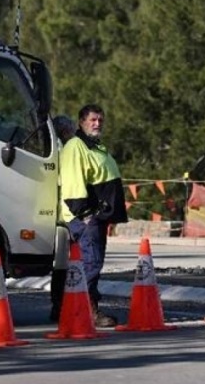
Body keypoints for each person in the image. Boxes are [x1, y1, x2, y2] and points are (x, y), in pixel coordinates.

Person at [59, 104, 128, 327]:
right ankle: (86, 312)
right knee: (91, 264)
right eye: (93, 120)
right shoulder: (75, 147)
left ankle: (74, 309)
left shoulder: (95, 147)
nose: (97, 123)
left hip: (96, 217)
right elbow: (72, 182)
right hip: (86, 218)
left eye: (100, 120)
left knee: (89, 264)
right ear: (81, 122)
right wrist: (85, 213)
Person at [49, 115, 76, 322]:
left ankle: (58, 306)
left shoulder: (57, 148)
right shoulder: (62, 151)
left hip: (58, 214)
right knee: (62, 266)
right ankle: (60, 307)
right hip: (63, 216)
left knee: (61, 266)